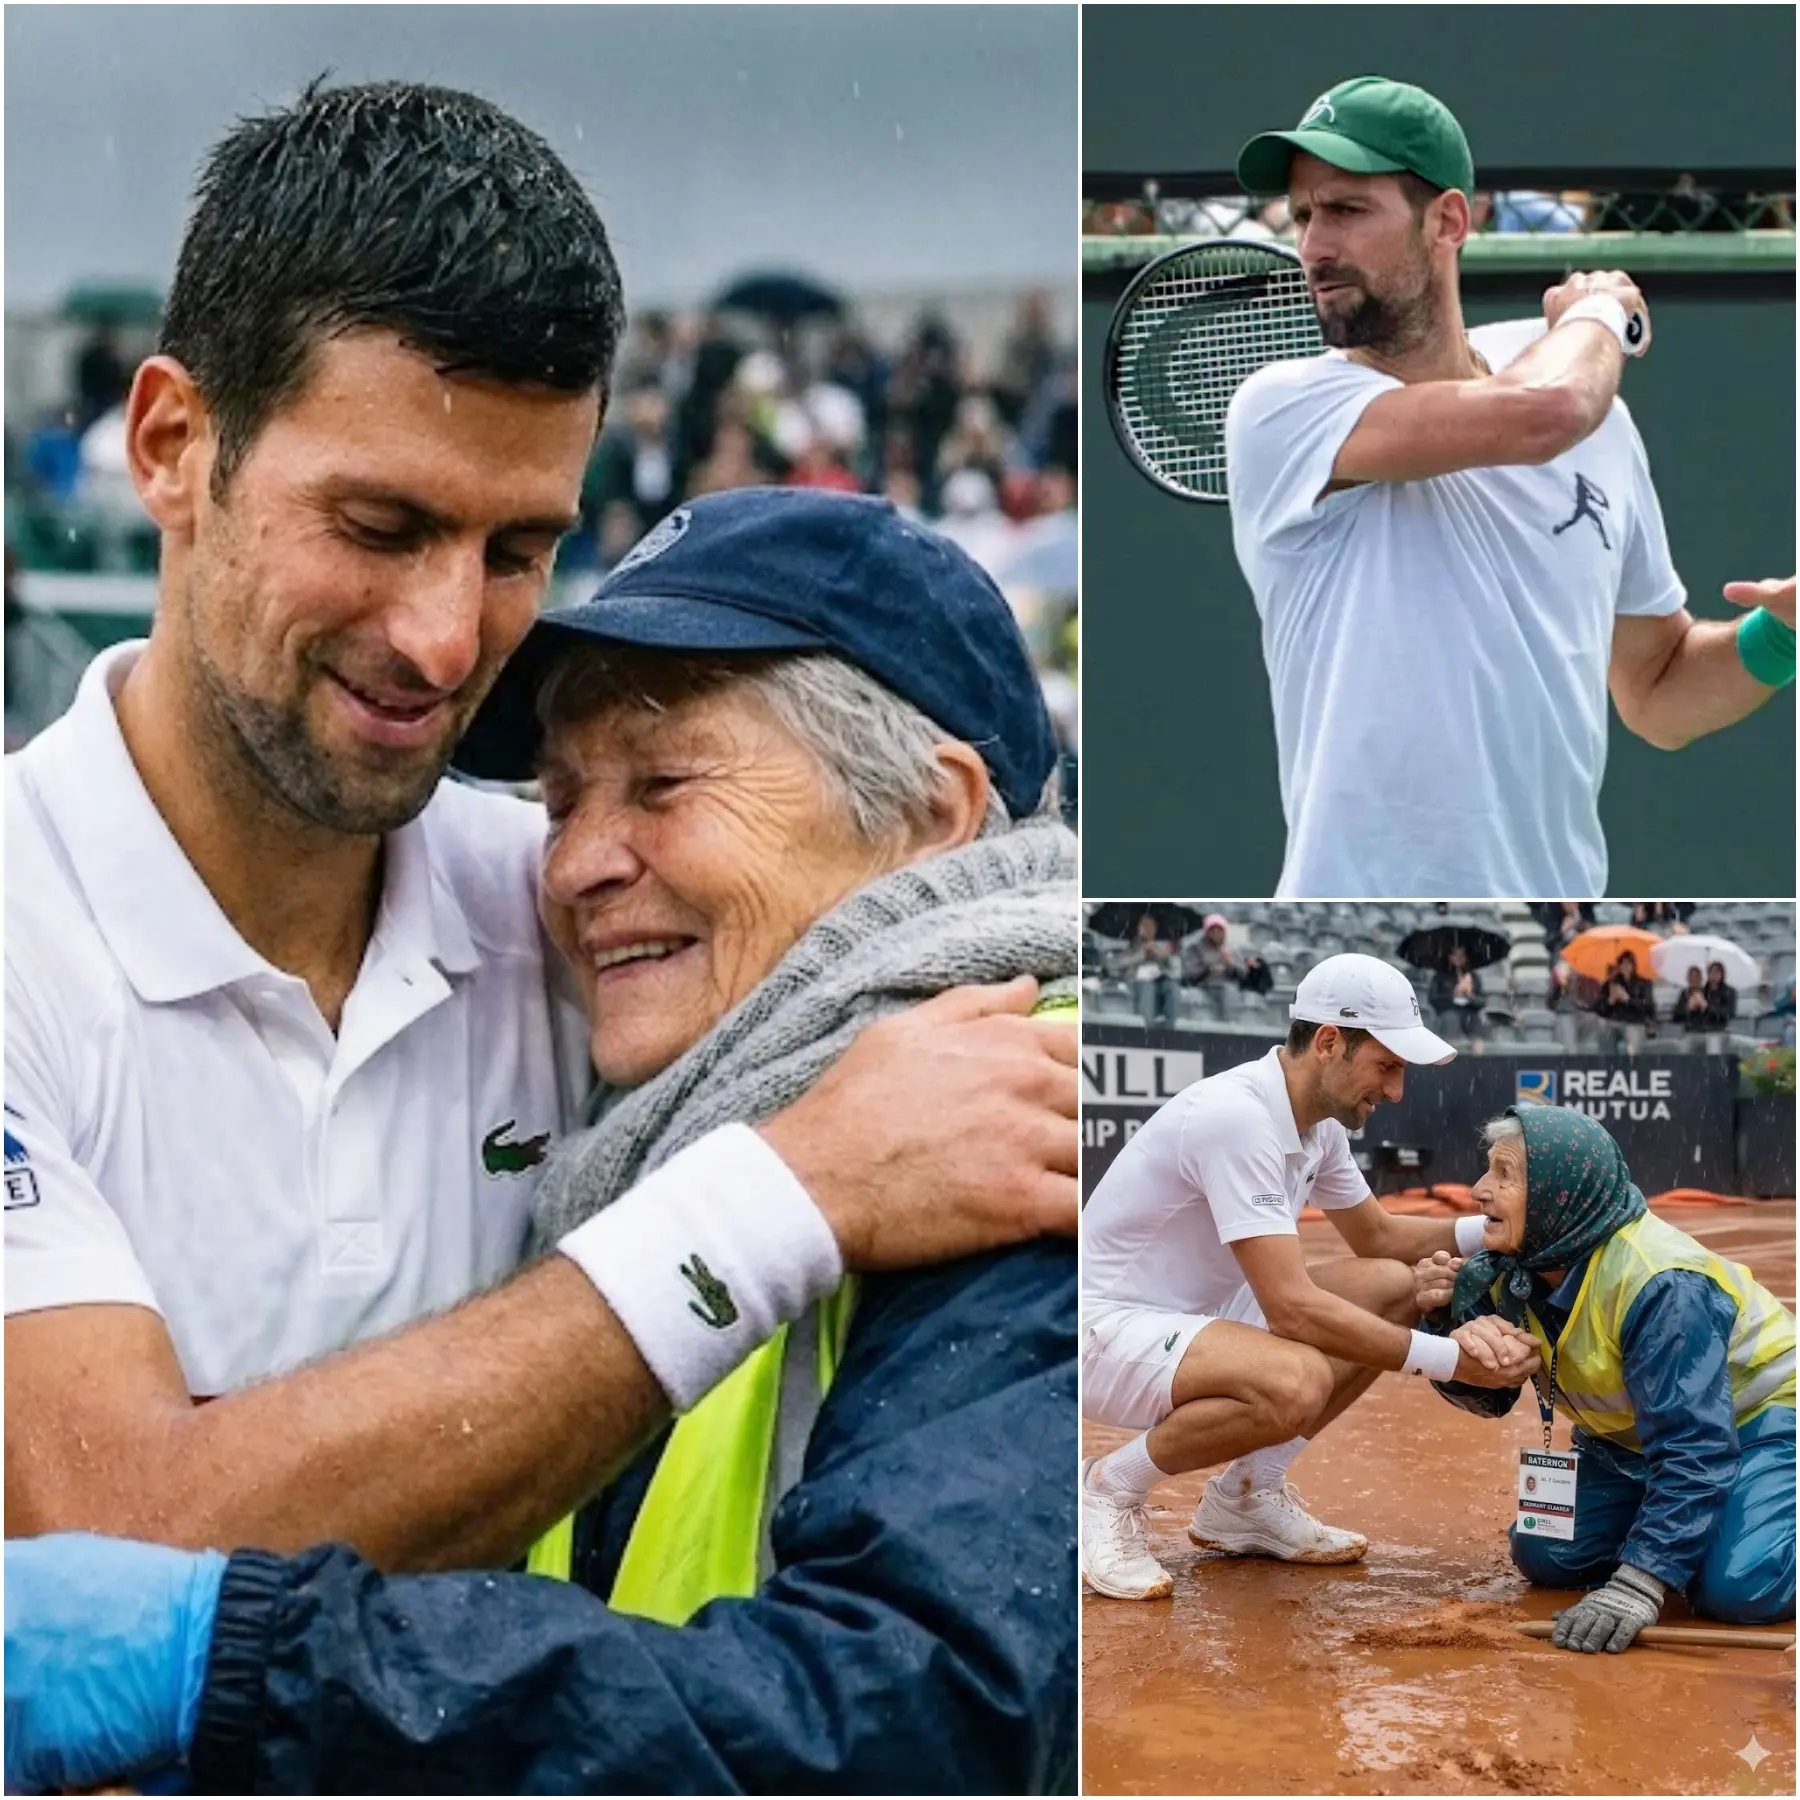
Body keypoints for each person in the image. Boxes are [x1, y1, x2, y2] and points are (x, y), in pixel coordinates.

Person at [6, 80, 1073, 1617]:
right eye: (377, 527)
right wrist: (786, 1197)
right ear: (173, 445)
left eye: (517, 550)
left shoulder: (569, 912)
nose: (448, 641)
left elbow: (886, 942)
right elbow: (99, 1550)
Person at [4, 484, 1081, 1794]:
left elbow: (910, 1727)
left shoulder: (1033, 1104)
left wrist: (258, 1674)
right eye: (563, 800)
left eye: (662, 784)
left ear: (933, 812)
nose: (573, 866)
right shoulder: (743, 1116)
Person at [1225, 75, 1797, 898]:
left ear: (1447, 221)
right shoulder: (1282, 410)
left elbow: (1658, 686)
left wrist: (1779, 641)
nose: (1314, 245)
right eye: (1304, 214)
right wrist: (1603, 312)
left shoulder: (1589, 408)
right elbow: (1547, 409)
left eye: (1346, 210)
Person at [1078, 954, 1538, 1601]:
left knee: (1393, 1286)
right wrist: (1451, 1360)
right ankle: (1106, 1486)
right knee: (1295, 1381)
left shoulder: (1316, 1124)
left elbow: (1378, 1238)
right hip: (1104, 1331)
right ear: (1328, 1043)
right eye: (1387, 1066)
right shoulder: (1236, 1118)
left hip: (1195, 1316)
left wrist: (1496, 1224)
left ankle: (1246, 1495)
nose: (1398, 1090)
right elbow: (1293, 1311)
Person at [1412, 1105, 1794, 1652]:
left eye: (1504, 1175)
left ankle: (1742, 1509)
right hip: (1633, 1445)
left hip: (1764, 1425)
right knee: (1546, 1553)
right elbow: (1489, 1399)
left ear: (1558, 1194)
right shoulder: (1510, 1266)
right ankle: (1700, 1522)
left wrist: (1640, 1582)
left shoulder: (1663, 1285)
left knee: (1740, 1588)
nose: (1477, 1190)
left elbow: (1696, 1446)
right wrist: (1445, 1326)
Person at [1595, 950, 1657, 1051]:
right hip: (1615, 1022)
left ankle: (1632, 1063)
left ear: (1633, 966)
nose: (1625, 966)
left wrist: (1628, 999)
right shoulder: (1611, 983)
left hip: (1635, 1022)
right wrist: (1610, 1001)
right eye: (1622, 964)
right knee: (1606, 1035)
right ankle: (1609, 1064)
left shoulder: (1644, 983)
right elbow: (1598, 1008)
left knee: (1631, 1035)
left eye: (1628, 963)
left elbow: (1648, 1005)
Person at [1130, 912, 1181, 1028]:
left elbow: (1172, 968)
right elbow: (1121, 963)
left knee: (1172, 988)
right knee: (1148, 988)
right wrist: (1141, 954)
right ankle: (1147, 1027)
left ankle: (1171, 1026)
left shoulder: (1160, 947)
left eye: (1151, 926)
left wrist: (1163, 956)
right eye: (1144, 926)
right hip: (1139, 981)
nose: (1148, 930)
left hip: (1160, 980)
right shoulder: (1133, 946)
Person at [1429, 944, 1485, 1042]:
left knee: (1474, 1021)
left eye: (1462, 955)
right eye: (1455, 955)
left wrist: (1470, 997)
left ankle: (1478, 1053)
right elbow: (1433, 998)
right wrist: (1454, 996)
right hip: (1448, 1011)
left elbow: (1482, 1001)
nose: (1459, 958)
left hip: (1468, 1011)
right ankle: (1451, 1052)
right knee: (1451, 1020)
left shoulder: (1473, 976)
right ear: (1449, 957)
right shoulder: (1440, 977)